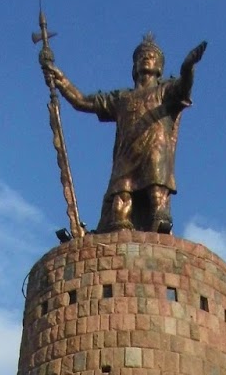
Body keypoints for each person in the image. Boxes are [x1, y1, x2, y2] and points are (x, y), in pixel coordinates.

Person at [44, 35, 208, 233]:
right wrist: (59, 79)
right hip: (126, 156)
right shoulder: (121, 98)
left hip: (155, 150)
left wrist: (188, 66)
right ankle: (118, 240)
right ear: (134, 67)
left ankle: (159, 232)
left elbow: (184, 86)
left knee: (157, 196)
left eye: (152, 56)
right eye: (141, 56)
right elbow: (82, 101)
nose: (146, 58)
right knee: (120, 207)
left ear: (160, 67)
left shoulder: (166, 91)